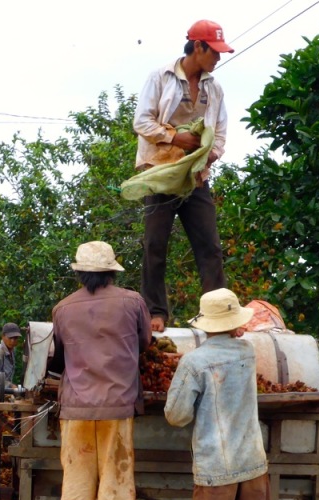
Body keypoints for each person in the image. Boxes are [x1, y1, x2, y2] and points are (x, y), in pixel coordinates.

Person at [163, 287, 283, 500]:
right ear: (235, 323)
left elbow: (176, 415)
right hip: (253, 464)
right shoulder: (246, 353)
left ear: (205, 325)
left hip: (216, 470)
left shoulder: (195, 362)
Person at [49, 241, 151, 500]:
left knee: (77, 494)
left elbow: (57, 359)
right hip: (117, 408)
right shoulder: (133, 301)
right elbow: (144, 343)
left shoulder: (62, 309)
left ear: (80, 273)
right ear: (111, 271)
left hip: (76, 410)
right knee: (113, 491)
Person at [133, 19, 232, 333]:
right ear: (198, 47)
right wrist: (176, 138)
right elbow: (142, 122)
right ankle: (155, 312)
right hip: (162, 171)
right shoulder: (160, 77)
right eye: (214, 52)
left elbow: (220, 134)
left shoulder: (213, 88)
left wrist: (206, 154)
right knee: (154, 244)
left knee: (210, 246)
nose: (218, 58)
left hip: (195, 176)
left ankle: (217, 314)